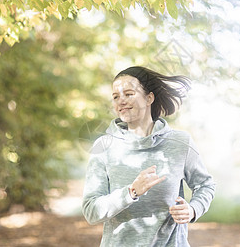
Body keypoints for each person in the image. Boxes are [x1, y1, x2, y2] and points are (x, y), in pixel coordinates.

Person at [82, 66, 216, 247]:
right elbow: (91, 211)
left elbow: (205, 185)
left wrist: (193, 209)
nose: (121, 100)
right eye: (115, 97)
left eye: (128, 94)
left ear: (149, 98)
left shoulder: (180, 142)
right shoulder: (104, 147)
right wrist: (130, 192)